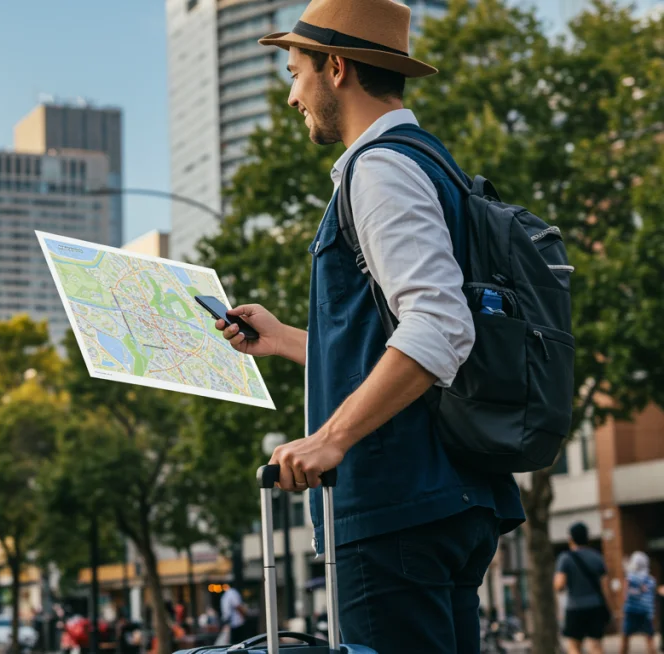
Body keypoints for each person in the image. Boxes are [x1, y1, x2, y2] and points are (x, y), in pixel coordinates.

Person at [218, 0, 525, 650]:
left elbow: (440, 324)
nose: (293, 96)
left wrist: (330, 438)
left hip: (396, 504)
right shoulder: (431, 163)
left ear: (335, 68)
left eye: (295, 72)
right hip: (445, 494)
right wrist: (286, 341)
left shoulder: (380, 168)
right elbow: (404, 332)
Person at [554, 522, 610, 654]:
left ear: (571, 539)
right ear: (587, 538)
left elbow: (559, 585)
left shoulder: (565, 558)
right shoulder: (597, 557)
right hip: (596, 606)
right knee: (596, 645)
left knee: (574, 646)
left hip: (575, 607)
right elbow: (605, 587)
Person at [619, 551, 655, 654]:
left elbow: (625, 595)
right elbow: (650, 597)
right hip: (646, 613)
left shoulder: (630, 578)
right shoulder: (651, 580)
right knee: (650, 640)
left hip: (631, 612)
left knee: (625, 639)